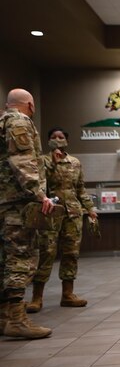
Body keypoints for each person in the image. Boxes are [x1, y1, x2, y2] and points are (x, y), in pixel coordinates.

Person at [0, 89, 57, 339]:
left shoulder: (3, 121)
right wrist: (39, 194)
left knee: (5, 259)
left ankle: (4, 318)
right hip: (16, 203)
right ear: (30, 105)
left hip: (5, 202)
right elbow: (22, 160)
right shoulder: (20, 121)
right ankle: (17, 319)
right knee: (21, 257)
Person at [27, 128, 97, 312]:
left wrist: (90, 208)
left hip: (73, 214)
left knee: (71, 253)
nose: (57, 140)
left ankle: (68, 294)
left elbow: (80, 188)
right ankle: (36, 298)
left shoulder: (75, 162)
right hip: (50, 214)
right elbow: (40, 184)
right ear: (48, 140)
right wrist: (53, 163)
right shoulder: (42, 161)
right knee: (46, 253)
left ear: (67, 140)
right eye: (53, 137)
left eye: (61, 137)